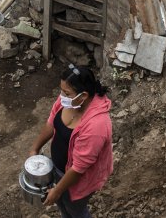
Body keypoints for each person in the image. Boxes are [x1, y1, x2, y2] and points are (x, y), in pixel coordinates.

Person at [27, 64, 114, 218]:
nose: (61, 96)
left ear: (84, 96)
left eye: (66, 93)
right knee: (63, 205)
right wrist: (34, 149)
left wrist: (57, 190)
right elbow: (51, 122)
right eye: (62, 91)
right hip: (57, 168)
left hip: (78, 179)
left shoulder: (96, 126)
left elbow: (78, 168)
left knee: (75, 210)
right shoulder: (70, 100)